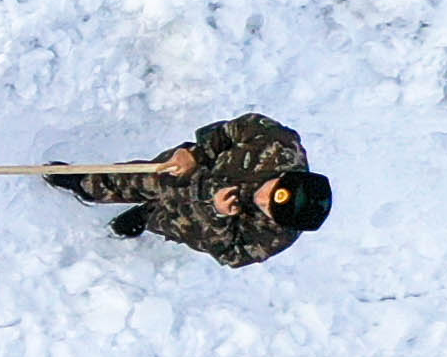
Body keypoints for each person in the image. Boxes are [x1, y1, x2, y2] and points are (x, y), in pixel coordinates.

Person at [50, 112, 329, 267]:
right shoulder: (276, 144)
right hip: (193, 172)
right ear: (285, 176)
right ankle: (86, 184)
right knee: (139, 178)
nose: (263, 200)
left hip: (196, 218)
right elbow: (234, 130)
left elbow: (230, 254)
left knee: (170, 221)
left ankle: (147, 217)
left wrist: (217, 215)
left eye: (270, 211)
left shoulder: (274, 238)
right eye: (275, 193)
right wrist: (196, 154)